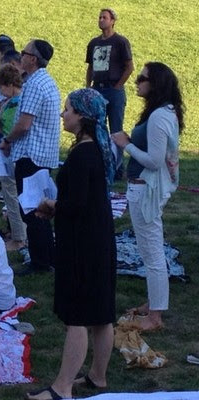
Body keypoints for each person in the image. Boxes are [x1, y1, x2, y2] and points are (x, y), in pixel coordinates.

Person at [26, 88, 116, 400]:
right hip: (100, 236)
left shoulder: (81, 154)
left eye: (68, 110)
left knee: (77, 315)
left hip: (82, 242)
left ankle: (62, 387)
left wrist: (51, 205)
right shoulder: (97, 149)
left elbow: (75, 204)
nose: (63, 115)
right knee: (102, 313)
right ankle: (97, 376)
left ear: (82, 117)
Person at [112, 62, 184, 331]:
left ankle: (155, 317)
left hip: (146, 191)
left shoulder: (159, 116)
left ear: (156, 84)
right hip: (144, 188)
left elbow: (154, 161)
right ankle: (154, 303)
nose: (136, 81)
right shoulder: (160, 113)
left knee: (152, 254)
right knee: (149, 251)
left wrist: (126, 144)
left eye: (142, 78)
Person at [0, 39, 61, 275]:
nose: (20, 57)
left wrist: (7, 140)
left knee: (32, 210)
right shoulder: (47, 81)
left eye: (24, 53)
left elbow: (24, 124)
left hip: (32, 156)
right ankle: (47, 256)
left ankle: (40, 262)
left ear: (33, 59)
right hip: (44, 154)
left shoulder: (34, 85)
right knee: (40, 208)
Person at [86, 8, 134, 178]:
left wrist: (117, 86)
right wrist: (88, 87)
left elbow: (129, 67)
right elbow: (90, 67)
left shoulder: (120, 42)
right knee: (97, 127)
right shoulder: (93, 43)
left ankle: (118, 168)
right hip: (97, 88)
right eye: (99, 17)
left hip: (113, 89)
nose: (101, 20)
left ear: (113, 21)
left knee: (116, 129)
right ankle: (101, 163)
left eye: (105, 17)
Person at [0, 64, 27, 251]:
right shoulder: (12, 102)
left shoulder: (16, 103)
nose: (0, 92)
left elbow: (10, 128)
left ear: (10, 84)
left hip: (10, 154)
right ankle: (20, 231)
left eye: (1, 88)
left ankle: (19, 237)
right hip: (8, 151)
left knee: (11, 196)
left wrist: (5, 140)